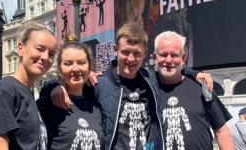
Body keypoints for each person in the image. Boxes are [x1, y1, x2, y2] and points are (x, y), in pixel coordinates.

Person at [47, 23, 212, 150]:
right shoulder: (99, 84)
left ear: (145, 53)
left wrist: (194, 73)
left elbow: (171, 69)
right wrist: (53, 85)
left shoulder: (151, 79)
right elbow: (71, 83)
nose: (131, 59)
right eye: (125, 52)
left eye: (137, 53)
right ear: (115, 50)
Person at [0, 21, 57, 150]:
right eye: (39, 49)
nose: (45, 57)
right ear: (21, 48)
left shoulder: (26, 92)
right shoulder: (4, 90)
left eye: (51, 54)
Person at [154, 31, 233, 150]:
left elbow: (221, 131)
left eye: (174, 55)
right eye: (163, 55)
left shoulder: (203, 87)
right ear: (155, 57)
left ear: (183, 58)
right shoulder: (148, 90)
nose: (168, 60)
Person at [36, 38, 104, 150]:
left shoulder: (97, 105)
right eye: (68, 64)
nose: (76, 69)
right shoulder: (46, 105)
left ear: (89, 67)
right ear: (59, 69)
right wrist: (52, 86)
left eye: (81, 63)